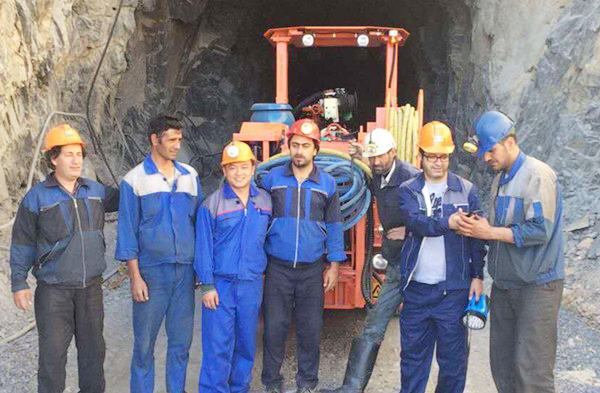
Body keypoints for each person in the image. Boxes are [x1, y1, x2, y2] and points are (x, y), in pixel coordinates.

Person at [457, 111, 564, 393]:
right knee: (503, 368)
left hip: (536, 288)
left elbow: (540, 230)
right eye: (483, 152)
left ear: (510, 142)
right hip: (505, 287)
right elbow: (501, 228)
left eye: (490, 150)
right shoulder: (500, 179)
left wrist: (489, 232)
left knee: (532, 373)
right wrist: (477, 227)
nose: (486, 158)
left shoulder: (538, 175)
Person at [9, 124, 118, 393]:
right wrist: (19, 282)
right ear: (53, 158)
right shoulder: (37, 197)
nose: (76, 160)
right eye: (68, 154)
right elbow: (22, 240)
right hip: (54, 292)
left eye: (79, 154)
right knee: (52, 358)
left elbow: (131, 197)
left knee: (93, 354)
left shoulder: (95, 190)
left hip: (91, 289)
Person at [322, 128, 419, 393]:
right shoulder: (376, 174)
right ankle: (351, 388)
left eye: (380, 157)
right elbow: (370, 167)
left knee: (417, 330)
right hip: (397, 264)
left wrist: (409, 230)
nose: (375, 163)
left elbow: (438, 218)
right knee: (375, 322)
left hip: (421, 266)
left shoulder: (412, 178)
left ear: (394, 152)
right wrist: (360, 155)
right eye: (372, 157)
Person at [115, 115, 203, 393]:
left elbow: (198, 225)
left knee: (180, 345)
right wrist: (135, 277)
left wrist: (200, 267)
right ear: (155, 140)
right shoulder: (134, 180)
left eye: (180, 139)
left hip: (184, 273)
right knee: (144, 346)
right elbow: (127, 232)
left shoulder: (190, 176)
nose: (177, 145)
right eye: (171, 139)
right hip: (151, 274)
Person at [397, 121, 486, 393]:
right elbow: (417, 224)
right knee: (413, 361)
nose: (438, 162)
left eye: (443, 156)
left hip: (454, 292)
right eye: (432, 156)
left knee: (453, 363)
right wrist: (449, 223)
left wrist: (477, 277)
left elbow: (476, 239)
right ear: (420, 156)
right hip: (417, 291)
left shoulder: (466, 190)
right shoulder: (408, 190)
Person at [260, 118, 346, 393]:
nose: (299, 151)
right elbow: (259, 222)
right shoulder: (272, 180)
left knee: (310, 330)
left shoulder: (327, 184)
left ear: (315, 150)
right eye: (295, 145)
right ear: (288, 147)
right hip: (278, 268)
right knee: (274, 328)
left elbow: (334, 226)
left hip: (311, 270)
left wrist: (333, 264)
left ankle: (307, 383)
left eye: (305, 146)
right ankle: (272, 383)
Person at [195, 141, 272, 393]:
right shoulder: (212, 205)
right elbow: (203, 249)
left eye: (243, 167)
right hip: (221, 286)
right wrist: (207, 286)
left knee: (246, 344)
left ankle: (239, 389)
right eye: (232, 168)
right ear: (224, 172)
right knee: (218, 346)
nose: (238, 173)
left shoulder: (265, 201)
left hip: (251, 284)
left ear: (253, 168)